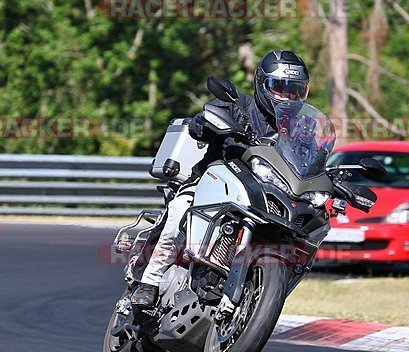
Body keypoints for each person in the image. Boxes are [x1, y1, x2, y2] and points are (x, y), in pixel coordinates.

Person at [130, 50, 311, 308]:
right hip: (211, 183)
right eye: (280, 88)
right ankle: (150, 281)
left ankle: (258, 296)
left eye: (295, 90)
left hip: (265, 193)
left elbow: (311, 157)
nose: (288, 97)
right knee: (180, 211)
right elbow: (201, 122)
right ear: (262, 84)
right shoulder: (238, 105)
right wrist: (206, 123)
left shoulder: (302, 127)